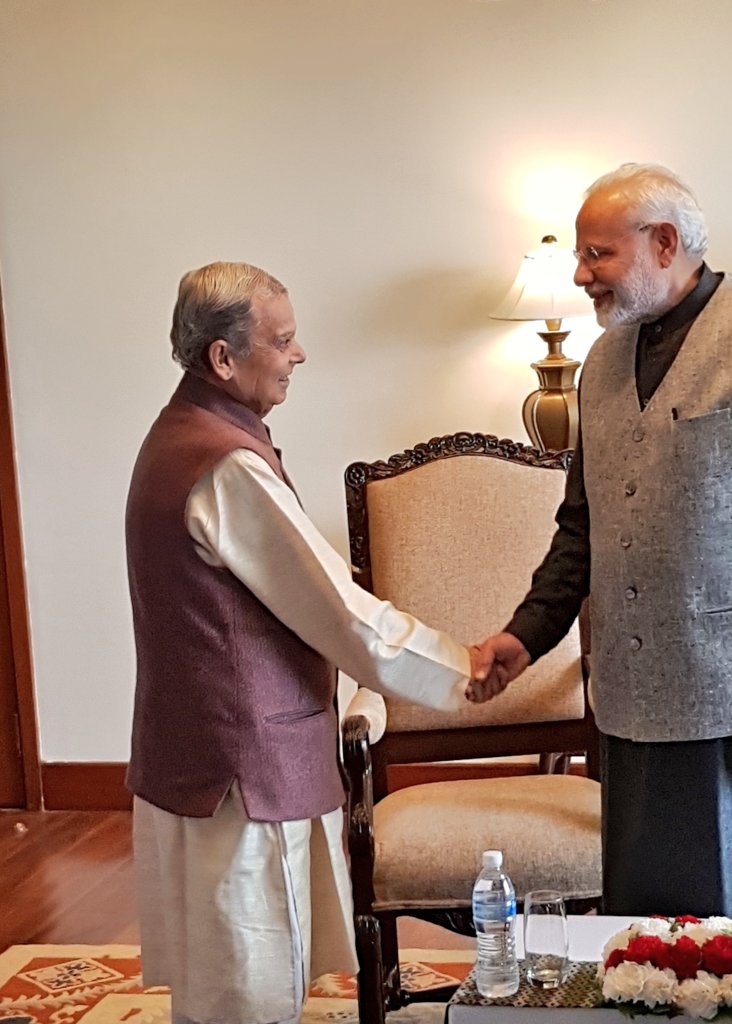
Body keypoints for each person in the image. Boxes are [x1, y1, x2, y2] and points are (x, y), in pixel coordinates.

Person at [475, 163, 732, 921]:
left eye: (597, 253)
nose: (581, 273)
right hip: (635, 713)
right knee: (655, 942)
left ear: (664, 243)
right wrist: (526, 636)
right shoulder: (600, 363)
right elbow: (583, 526)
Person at [125, 262, 495, 1024]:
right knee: (248, 997)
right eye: (282, 339)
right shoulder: (226, 466)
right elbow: (341, 616)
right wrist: (468, 671)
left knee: (219, 988)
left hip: (201, 762)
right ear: (223, 358)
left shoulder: (179, 435)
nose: (299, 354)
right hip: (242, 779)